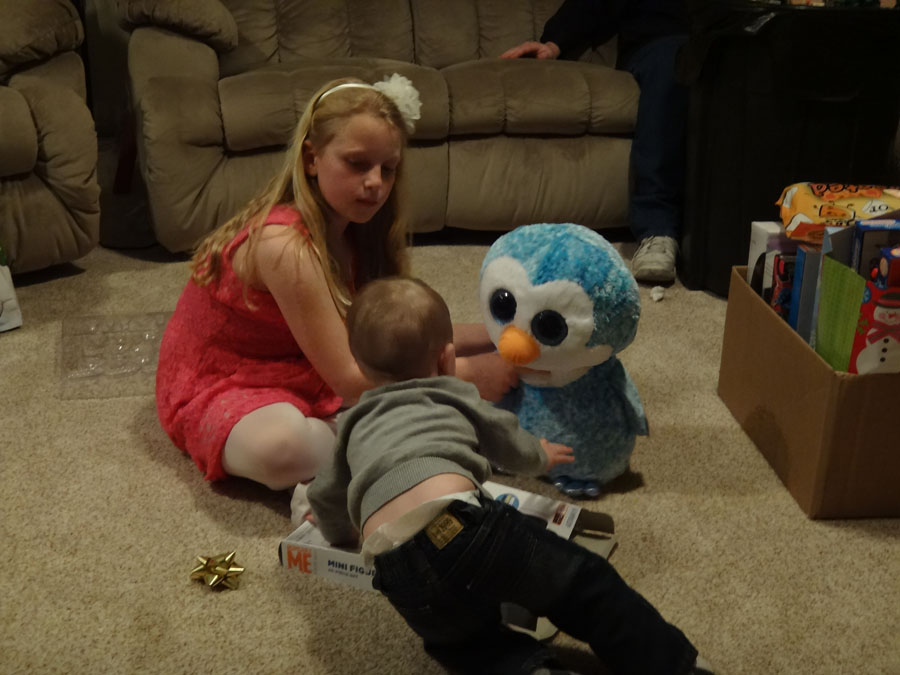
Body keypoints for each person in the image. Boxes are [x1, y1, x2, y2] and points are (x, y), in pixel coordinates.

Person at [307, 277, 713, 675]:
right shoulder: (451, 391)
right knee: (580, 585)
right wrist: (540, 455)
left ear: (360, 365)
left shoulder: (351, 425)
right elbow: (504, 437)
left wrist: (338, 533)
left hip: (394, 569)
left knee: (468, 645)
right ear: (446, 360)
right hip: (463, 526)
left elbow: (325, 494)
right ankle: (676, 666)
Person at [155, 75, 517, 502]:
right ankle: (382, 432)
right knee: (283, 448)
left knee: (402, 363)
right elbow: (347, 378)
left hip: (307, 362)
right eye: (357, 164)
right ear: (312, 159)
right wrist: (466, 378)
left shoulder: (359, 235)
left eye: (388, 169)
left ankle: (384, 428)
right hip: (225, 380)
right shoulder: (283, 245)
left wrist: (500, 338)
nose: (376, 183)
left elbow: (400, 334)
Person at [501, 0, 689, 284]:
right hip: (663, 47)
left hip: (731, 43)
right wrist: (554, 42)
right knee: (674, 60)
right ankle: (657, 230)